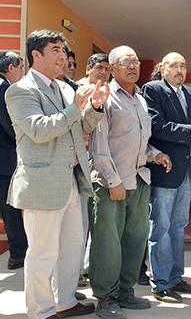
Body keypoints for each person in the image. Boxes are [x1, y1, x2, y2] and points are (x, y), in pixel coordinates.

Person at [6, 29, 109, 319]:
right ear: (35, 54)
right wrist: (77, 107)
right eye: (55, 50)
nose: (63, 56)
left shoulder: (65, 88)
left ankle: (64, 302)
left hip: (73, 181)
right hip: (42, 182)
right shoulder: (20, 90)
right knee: (42, 253)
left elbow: (81, 128)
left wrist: (96, 106)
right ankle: (40, 311)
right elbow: (39, 130)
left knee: (71, 249)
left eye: (64, 51)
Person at [88, 46, 172, 318]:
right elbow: (98, 147)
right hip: (112, 183)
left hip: (138, 180)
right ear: (112, 69)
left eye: (136, 61)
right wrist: (113, 181)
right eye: (126, 62)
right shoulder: (106, 97)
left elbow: (139, 143)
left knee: (135, 241)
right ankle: (106, 298)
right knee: (108, 243)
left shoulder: (140, 99)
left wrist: (156, 155)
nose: (133, 66)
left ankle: (125, 292)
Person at [142, 52, 191, 303]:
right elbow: (155, 125)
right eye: (174, 65)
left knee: (178, 226)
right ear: (162, 69)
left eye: (183, 65)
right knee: (160, 227)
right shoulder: (153, 89)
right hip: (165, 169)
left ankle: (175, 277)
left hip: (187, 169)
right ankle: (160, 283)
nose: (180, 69)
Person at [0, 51, 26, 270]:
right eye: (21, 67)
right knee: (11, 208)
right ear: (11, 68)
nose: (22, 72)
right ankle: (18, 254)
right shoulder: (4, 89)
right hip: (6, 159)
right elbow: (11, 125)